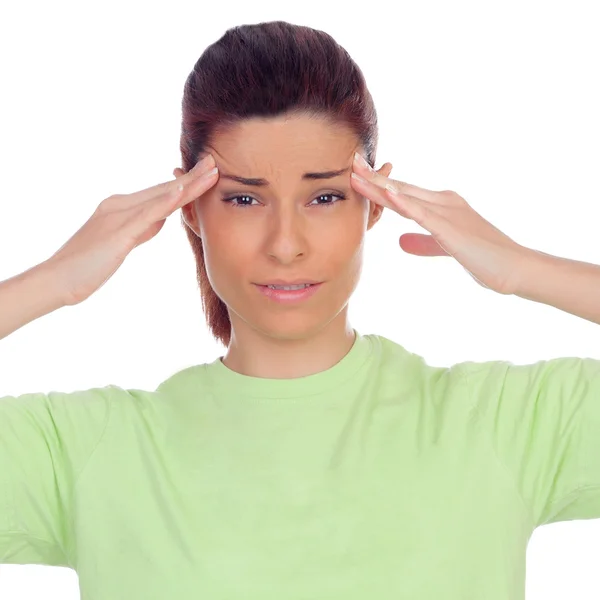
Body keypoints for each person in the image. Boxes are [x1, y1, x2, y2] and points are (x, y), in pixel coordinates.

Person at [1, 19, 600, 600]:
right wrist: (53, 281)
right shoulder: (90, 450)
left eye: (323, 196)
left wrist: (524, 269)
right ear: (188, 206)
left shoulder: (504, 425)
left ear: (374, 203)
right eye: (242, 198)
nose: (285, 244)